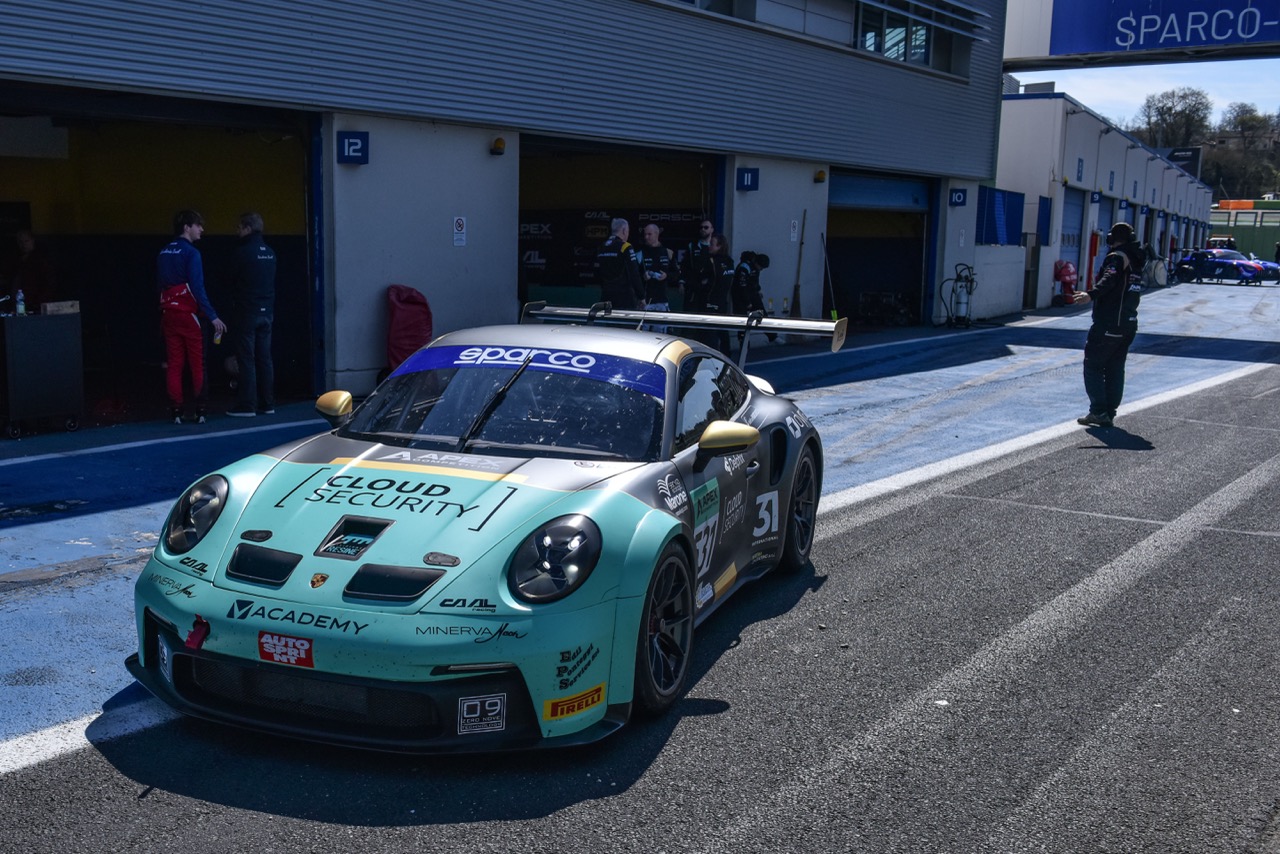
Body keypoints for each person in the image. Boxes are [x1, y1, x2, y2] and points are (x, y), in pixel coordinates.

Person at [1071, 221, 1145, 428]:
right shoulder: (1136, 259)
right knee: (1114, 368)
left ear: (1112, 238)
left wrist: (1090, 295)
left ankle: (1098, 412)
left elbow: (1109, 279)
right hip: (1129, 323)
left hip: (1110, 322)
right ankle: (1108, 412)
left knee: (1093, 365)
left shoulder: (1117, 257)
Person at [157, 210, 226, 424]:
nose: (202, 229)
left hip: (168, 313)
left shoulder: (163, 252)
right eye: (198, 225)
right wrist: (212, 316)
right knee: (198, 363)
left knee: (175, 363)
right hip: (189, 316)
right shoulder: (192, 253)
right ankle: (201, 409)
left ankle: (176, 410)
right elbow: (197, 287)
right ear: (187, 227)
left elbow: (159, 285)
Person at [226, 212, 278, 417]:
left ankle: (247, 404)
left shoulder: (242, 253)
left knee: (246, 358)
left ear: (247, 228)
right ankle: (268, 403)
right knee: (265, 359)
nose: (237, 231)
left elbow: (228, 279)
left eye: (239, 227)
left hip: (247, 312)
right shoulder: (271, 253)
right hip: (267, 311)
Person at [637, 223, 679, 330]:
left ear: (657, 234)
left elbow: (677, 274)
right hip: (645, 302)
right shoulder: (640, 253)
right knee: (642, 336)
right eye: (645, 234)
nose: (646, 237)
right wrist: (643, 277)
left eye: (649, 234)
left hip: (662, 301)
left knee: (660, 335)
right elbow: (634, 276)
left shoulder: (668, 252)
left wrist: (666, 276)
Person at [3, 229, 57, 312]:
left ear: (32, 240)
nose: (23, 244)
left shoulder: (41, 260)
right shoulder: (16, 260)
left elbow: (48, 283)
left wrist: (38, 302)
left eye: (26, 241)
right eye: (20, 242)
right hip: (19, 305)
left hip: (35, 305)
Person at [596, 218, 644, 309]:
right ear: (624, 230)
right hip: (624, 298)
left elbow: (597, 272)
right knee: (625, 323)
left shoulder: (602, 246)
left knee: (608, 322)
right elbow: (634, 273)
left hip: (605, 296)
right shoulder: (625, 246)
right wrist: (641, 296)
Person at [704, 232, 735, 356]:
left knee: (710, 334)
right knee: (723, 332)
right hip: (723, 302)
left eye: (712, 244)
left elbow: (706, 282)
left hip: (711, 301)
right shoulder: (730, 261)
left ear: (720, 246)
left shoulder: (712, 262)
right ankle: (727, 358)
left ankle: (711, 359)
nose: (709, 246)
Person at [680, 217, 715, 312]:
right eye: (701, 227)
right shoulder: (692, 245)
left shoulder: (715, 246)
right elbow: (685, 265)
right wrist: (682, 282)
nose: (703, 229)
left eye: (706, 227)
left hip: (709, 289)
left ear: (712, 229)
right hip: (693, 287)